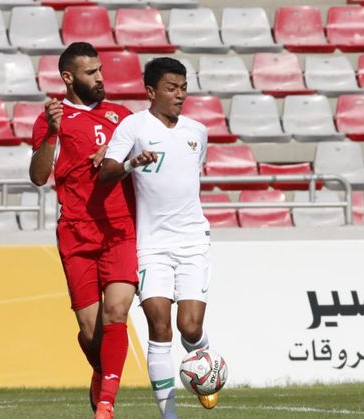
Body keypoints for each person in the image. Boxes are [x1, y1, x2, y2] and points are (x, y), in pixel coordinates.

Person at [99, 57, 216, 419]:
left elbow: (190, 179)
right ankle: (169, 416)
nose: (179, 95)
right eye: (171, 88)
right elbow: (105, 173)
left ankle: (205, 368)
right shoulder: (133, 127)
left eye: (183, 88)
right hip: (151, 245)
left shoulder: (197, 131)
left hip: (193, 241)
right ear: (151, 91)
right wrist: (133, 163)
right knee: (160, 326)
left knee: (189, 327)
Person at [29, 42, 138, 419]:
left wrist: (115, 148)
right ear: (68, 77)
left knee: (117, 312)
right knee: (93, 334)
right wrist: (51, 136)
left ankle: (105, 405)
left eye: (100, 69)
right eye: (91, 72)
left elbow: (149, 155)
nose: (100, 77)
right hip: (75, 233)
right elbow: (38, 177)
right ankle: (100, 371)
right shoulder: (51, 119)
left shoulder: (122, 116)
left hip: (119, 228)